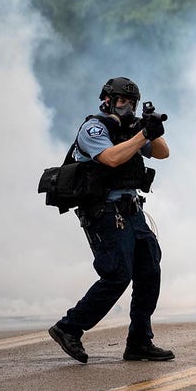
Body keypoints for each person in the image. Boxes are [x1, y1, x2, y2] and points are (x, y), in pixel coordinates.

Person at [48, 77, 174, 363]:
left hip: (131, 210)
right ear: (106, 100)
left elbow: (163, 153)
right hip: (103, 211)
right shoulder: (95, 127)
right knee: (117, 273)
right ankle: (69, 327)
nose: (126, 106)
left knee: (150, 270)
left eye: (131, 102)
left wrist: (152, 129)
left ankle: (139, 341)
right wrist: (142, 135)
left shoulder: (131, 129)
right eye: (120, 101)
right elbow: (111, 159)